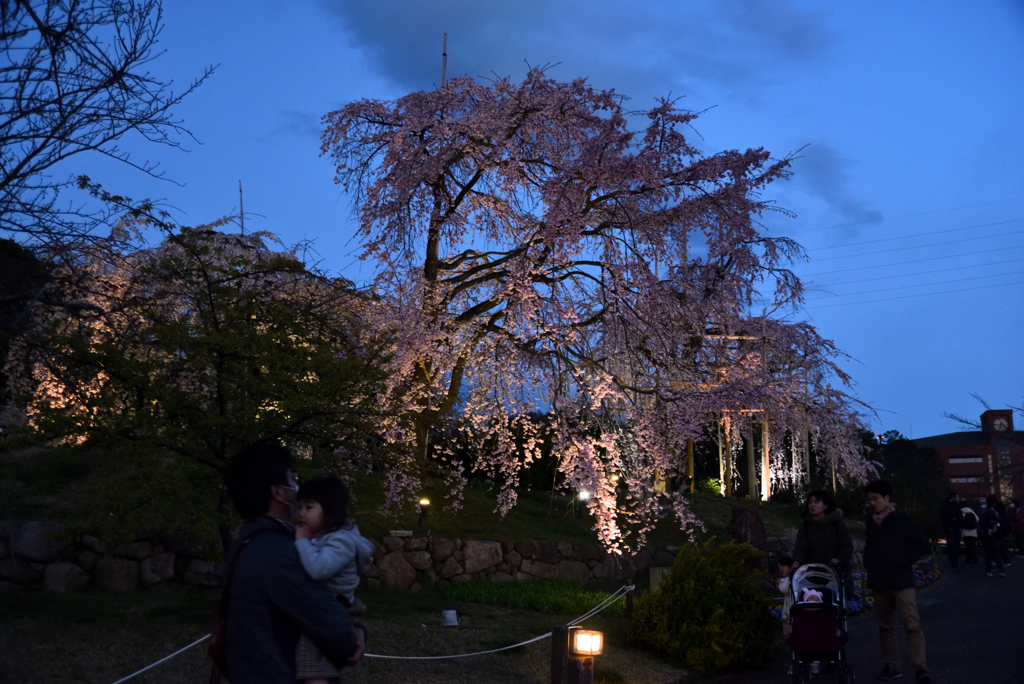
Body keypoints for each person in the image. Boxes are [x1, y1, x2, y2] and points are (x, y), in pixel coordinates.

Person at [223, 444, 366, 683]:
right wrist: (354, 635)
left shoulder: (252, 538)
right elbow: (323, 615)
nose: (297, 487)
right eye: (292, 478)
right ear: (278, 492)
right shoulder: (277, 552)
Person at [294, 477, 375, 684]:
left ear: (330, 512)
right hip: (325, 606)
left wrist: (302, 541)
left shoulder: (341, 541)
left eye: (309, 507)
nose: (301, 513)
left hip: (331, 606)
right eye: (299, 506)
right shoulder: (326, 534)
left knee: (312, 665)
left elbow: (319, 569)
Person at [863, 479, 931, 684]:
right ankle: (892, 665)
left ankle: (920, 667)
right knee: (885, 626)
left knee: (912, 624)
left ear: (887, 498)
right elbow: (870, 546)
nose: (873, 503)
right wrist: (869, 562)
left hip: (901, 580)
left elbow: (921, 545)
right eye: (869, 500)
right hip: (879, 580)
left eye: (876, 498)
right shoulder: (870, 522)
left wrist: (901, 560)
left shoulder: (903, 520)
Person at [793, 489, 854, 598]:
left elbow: (846, 544)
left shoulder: (836, 523)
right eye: (810, 502)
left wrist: (839, 559)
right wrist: (798, 561)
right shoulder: (806, 526)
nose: (812, 505)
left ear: (825, 505)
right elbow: (801, 548)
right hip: (813, 572)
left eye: (816, 502)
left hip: (835, 570)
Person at [979, 495, 1006, 577]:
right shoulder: (993, 512)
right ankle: (1000, 571)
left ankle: (989, 570)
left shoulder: (985, 512)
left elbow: (982, 524)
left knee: (989, 555)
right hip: (994, 536)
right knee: (996, 554)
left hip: (987, 536)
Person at [939, 492, 963, 570]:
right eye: (957, 497)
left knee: (955, 545)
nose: (958, 499)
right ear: (953, 498)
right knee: (952, 545)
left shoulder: (953, 505)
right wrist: (948, 526)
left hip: (955, 528)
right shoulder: (947, 506)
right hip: (951, 528)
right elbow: (944, 517)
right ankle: (953, 562)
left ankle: (955, 561)